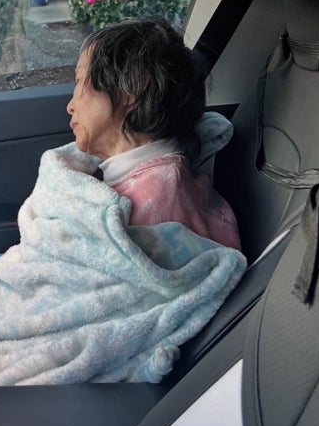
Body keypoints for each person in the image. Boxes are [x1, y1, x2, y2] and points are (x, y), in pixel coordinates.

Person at [67, 16, 241, 250]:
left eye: (80, 81)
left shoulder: (151, 207)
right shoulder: (163, 179)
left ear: (132, 88)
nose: (70, 106)